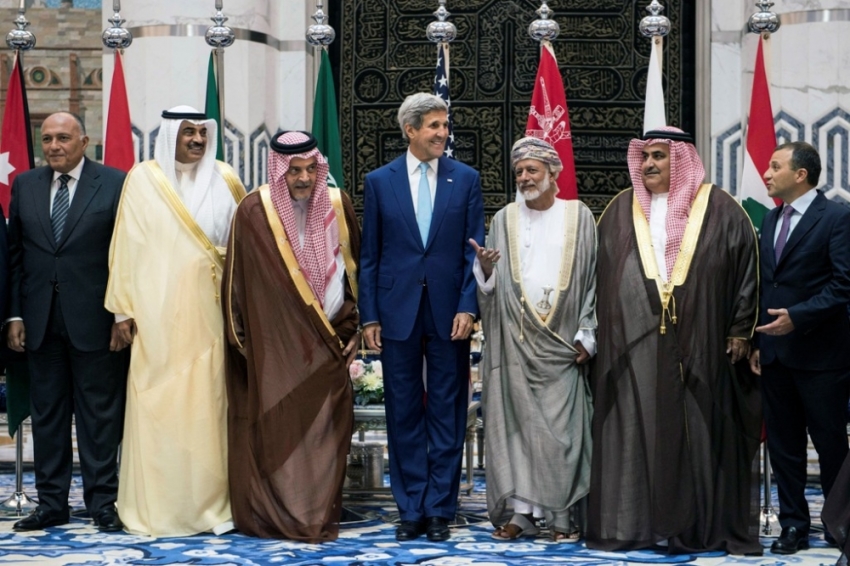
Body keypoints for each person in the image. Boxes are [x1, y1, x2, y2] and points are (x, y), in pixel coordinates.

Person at [589, 127, 762, 554]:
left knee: (700, 434)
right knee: (640, 431)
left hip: (703, 344)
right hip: (638, 349)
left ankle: (701, 525)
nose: (648, 164)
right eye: (644, 157)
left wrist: (741, 329)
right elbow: (603, 277)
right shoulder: (618, 210)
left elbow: (744, 271)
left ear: (681, 160)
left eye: (659, 157)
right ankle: (647, 523)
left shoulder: (723, 209)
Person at [105, 106, 246, 536]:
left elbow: (247, 245)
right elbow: (126, 243)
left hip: (211, 312)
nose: (197, 141)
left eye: (203, 133)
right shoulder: (143, 178)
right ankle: (161, 507)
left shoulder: (226, 178)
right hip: (157, 314)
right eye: (188, 133)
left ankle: (211, 505)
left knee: (209, 405)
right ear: (171, 135)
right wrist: (123, 310)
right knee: (158, 404)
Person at [359, 92, 485, 542]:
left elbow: (475, 253)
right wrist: (369, 315)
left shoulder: (466, 179)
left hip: (450, 313)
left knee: (448, 413)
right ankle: (410, 508)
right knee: (403, 411)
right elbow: (370, 255)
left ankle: (439, 509)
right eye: (433, 125)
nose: (442, 133)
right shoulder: (379, 181)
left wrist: (469, 307)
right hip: (397, 313)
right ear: (410, 130)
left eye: (444, 125)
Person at [222, 131, 360, 542]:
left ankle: (315, 511)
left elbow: (356, 273)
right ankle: (276, 512)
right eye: (294, 171)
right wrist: (243, 342)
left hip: (330, 340)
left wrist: (356, 328)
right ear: (278, 170)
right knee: (278, 431)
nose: (303, 179)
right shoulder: (253, 211)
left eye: (311, 169)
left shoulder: (337, 204)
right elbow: (237, 285)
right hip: (275, 349)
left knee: (326, 431)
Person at [7, 112, 127, 532]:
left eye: (63, 138)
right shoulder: (25, 185)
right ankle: (52, 504)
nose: (53, 145)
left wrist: (122, 313)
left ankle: (103, 504)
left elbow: (125, 256)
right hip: (39, 322)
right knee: (48, 418)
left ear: (84, 140)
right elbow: (16, 256)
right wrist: (15, 314)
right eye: (47, 138)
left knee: (99, 418)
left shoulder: (115, 183)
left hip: (97, 321)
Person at [472, 137, 596, 542]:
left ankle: (562, 516)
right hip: (514, 342)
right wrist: (485, 272)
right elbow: (490, 289)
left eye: (532, 170)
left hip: (562, 344)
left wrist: (588, 332)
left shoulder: (579, 216)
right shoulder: (504, 219)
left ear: (553, 174)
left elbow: (592, 279)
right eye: (520, 171)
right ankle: (522, 513)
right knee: (518, 430)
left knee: (563, 432)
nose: (525, 178)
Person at [748, 141, 850, 555]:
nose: (767, 174)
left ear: (801, 174)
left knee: (830, 446)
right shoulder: (772, 219)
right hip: (775, 355)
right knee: (784, 446)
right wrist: (758, 339)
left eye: (775, 166)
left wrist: (799, 316)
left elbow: (843, 284)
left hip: (822, 356)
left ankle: (839, 521)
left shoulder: (838, 217)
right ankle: (793, 524)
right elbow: (766, 284)